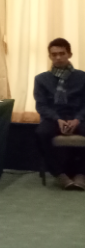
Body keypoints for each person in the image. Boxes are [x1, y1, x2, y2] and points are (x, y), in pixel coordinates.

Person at [34, 38, 85, 190]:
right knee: (41, 133)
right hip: (54, 118)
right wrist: (57, 119)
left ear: (69, 54)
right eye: (54, 54)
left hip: (78, 117)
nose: (58, 57)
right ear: (49, 56)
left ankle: (82, 174)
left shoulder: (82, 77)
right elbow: (41, 105)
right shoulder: (41, 79)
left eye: (62, 53)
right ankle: (59, 174)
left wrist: (78, 119)